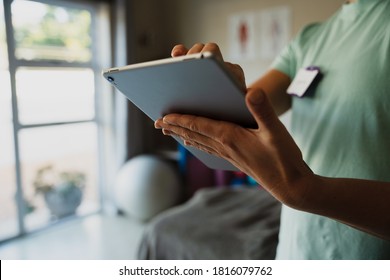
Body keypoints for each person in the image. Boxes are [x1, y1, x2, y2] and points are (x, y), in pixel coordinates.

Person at [155, 0, 390, 259]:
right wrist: (220, 90)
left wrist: (305, 189)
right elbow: (250, 107)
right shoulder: (309, 38)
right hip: (295, 250)